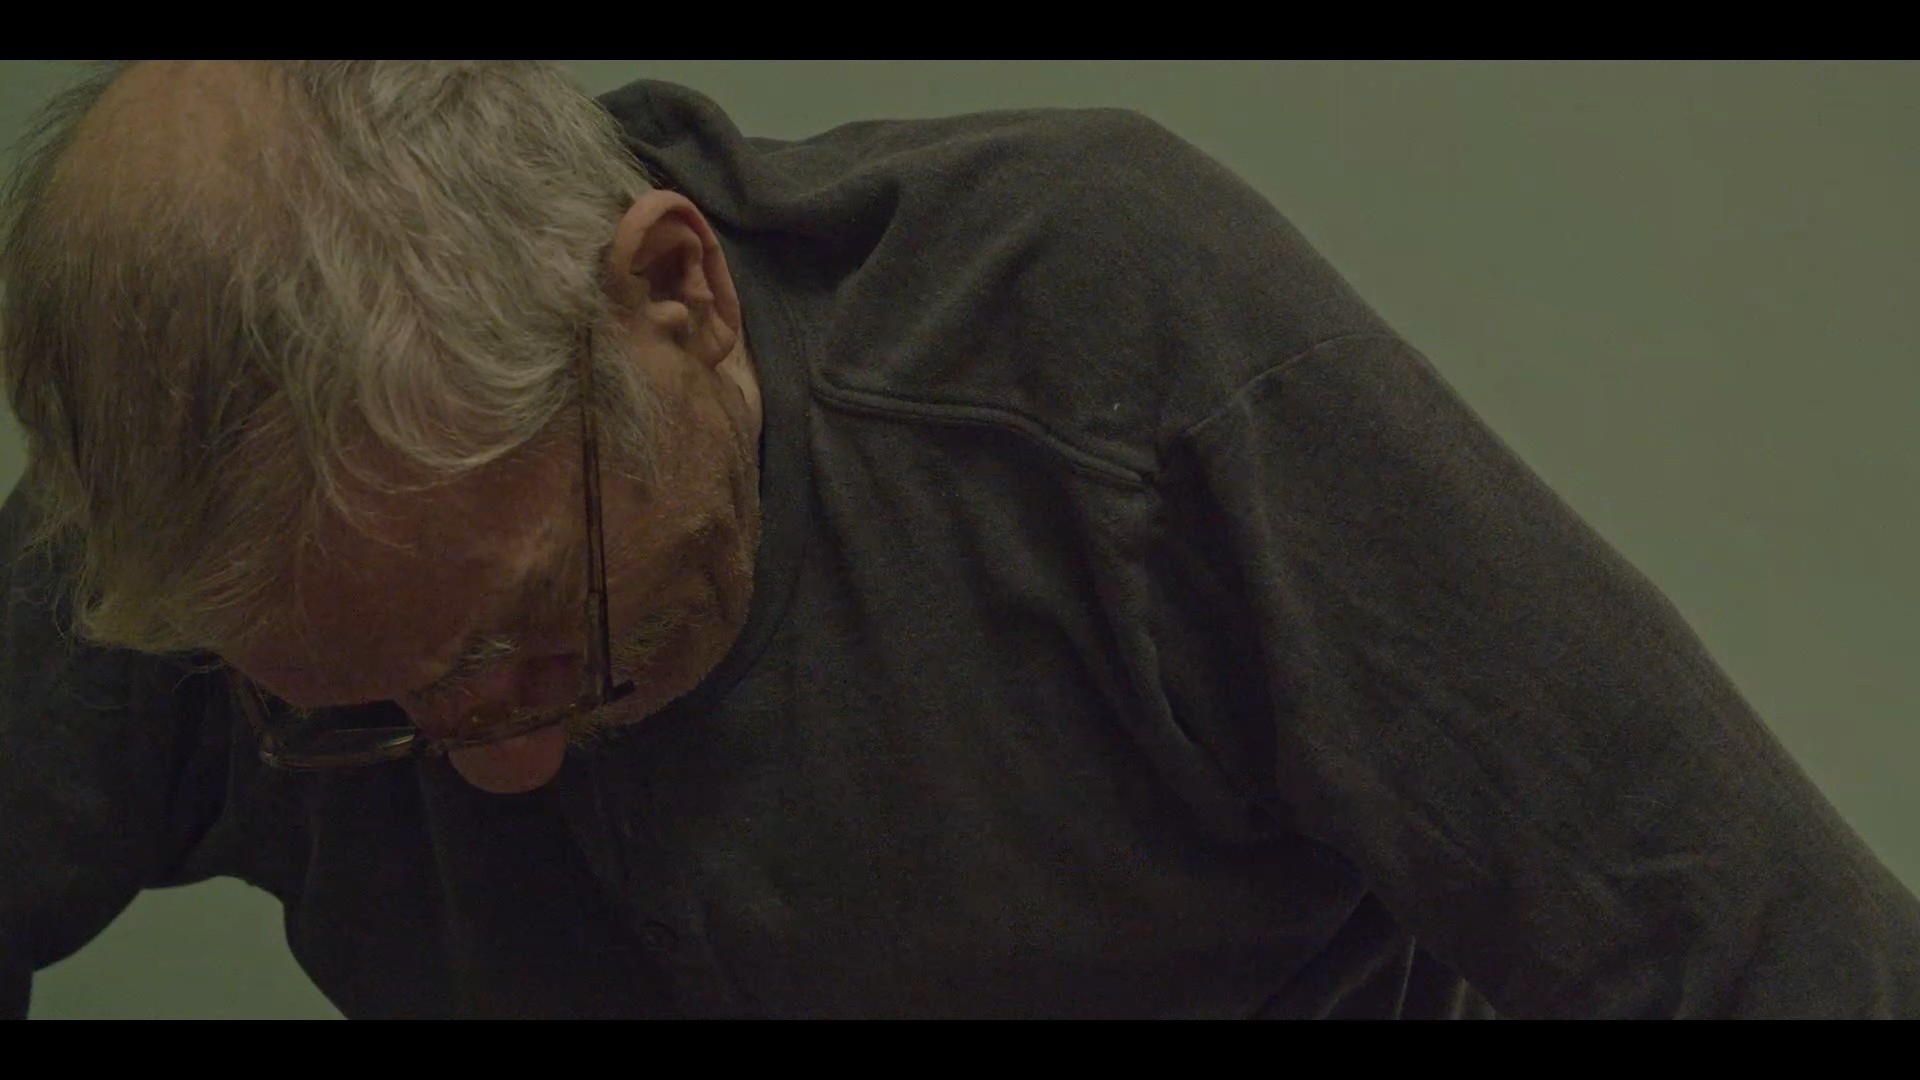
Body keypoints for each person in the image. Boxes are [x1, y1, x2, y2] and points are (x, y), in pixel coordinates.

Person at [2, 60, 1915, 1020]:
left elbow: (1760, 958)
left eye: (531, 636)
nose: (489, 758)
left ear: (677, 300)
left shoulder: (1106, 349)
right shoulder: (200, 535)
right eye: (362, 713)